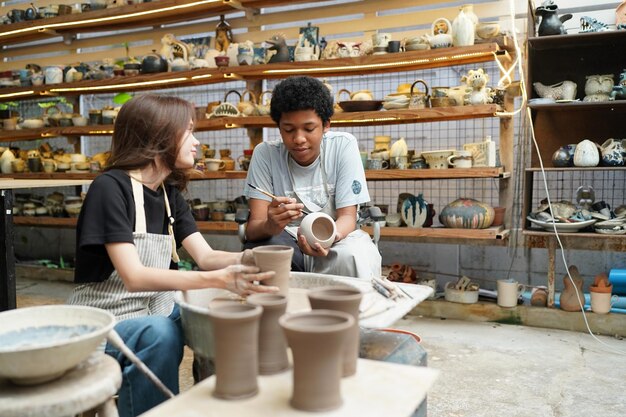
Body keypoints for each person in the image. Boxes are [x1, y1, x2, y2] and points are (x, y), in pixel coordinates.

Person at [67, 94, 277, 417]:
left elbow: (206, 257)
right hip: (105, 322)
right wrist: (216, 279)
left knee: (223, 314)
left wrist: (254, 262)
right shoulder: (109, 189)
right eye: (188, 131)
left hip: (155, 310)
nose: (196, 143)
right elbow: (133, 277)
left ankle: (226, 404)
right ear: (158, 135)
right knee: (161, 333)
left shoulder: (168, 196)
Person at [243, 76, 382, 279]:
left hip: (335, 235)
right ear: (278, 127)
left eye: (309, 129)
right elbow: (253, 229)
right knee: (267, 254)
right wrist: (270, 225)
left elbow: (347, 218)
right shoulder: (265, 154)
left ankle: (348, 310)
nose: (298, 139)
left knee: (353, 255)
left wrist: (327, 238)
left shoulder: (342, 146)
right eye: (288, 130)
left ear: (326, 125)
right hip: (286, 239)